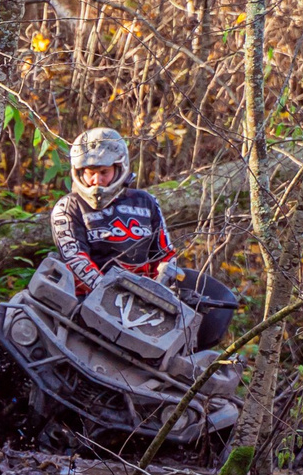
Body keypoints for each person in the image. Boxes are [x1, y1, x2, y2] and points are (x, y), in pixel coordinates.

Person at [49, 126, 236, 349]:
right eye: (90, 172)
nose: (96, 180)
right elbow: (75, 256)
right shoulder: (68, 207)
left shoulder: (145, 202)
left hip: (144, 305)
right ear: (79, 171)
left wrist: (161, 287)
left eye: (103, 172)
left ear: (118, 168)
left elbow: (165, 254)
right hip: (85, 304)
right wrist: (106, 292)